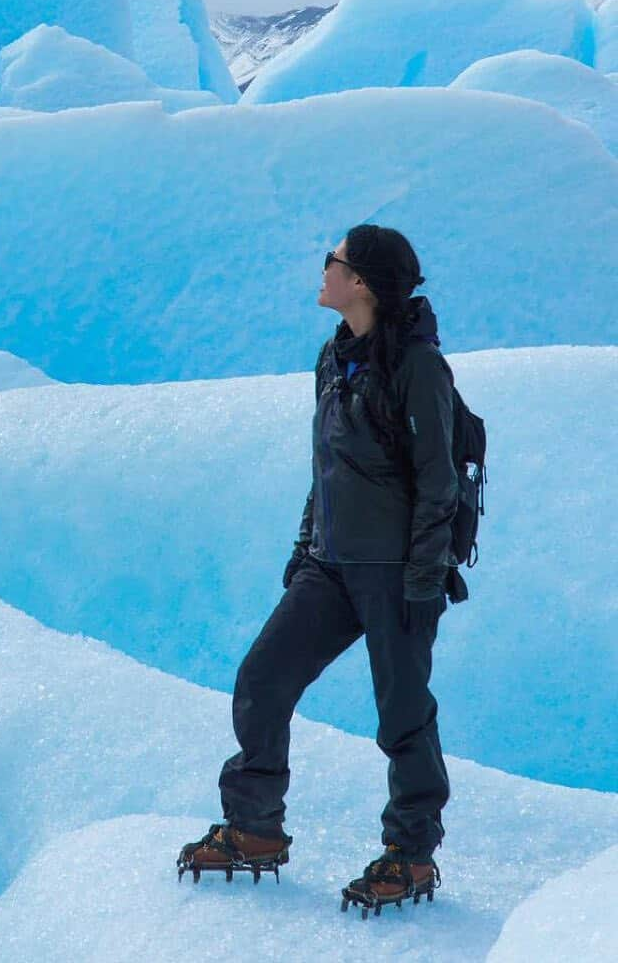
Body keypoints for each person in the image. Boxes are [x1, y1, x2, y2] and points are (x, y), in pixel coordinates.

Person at [177, 224, 457, 909]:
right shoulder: (332, 358)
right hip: (330, 567)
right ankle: (255, 828)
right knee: (262, 679)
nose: (323, 271)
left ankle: (411, 854)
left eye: (332, 262)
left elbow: (438, 483)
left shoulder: (418, 369)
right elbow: (327, 467)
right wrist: (308, 546)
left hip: (393, 572)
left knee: (403, 716)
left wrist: (421, 581)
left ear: (359, 281)